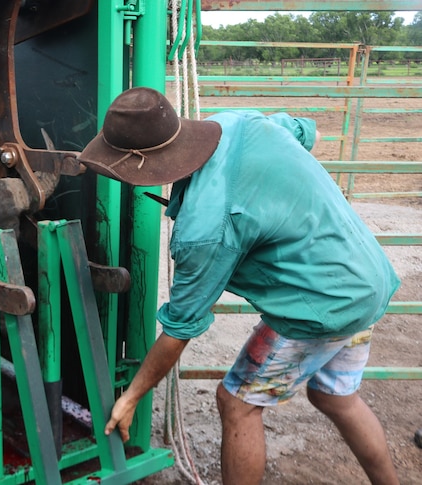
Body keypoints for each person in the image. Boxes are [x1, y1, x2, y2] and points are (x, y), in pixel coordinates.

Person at [78, 87, 401, 485]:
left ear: (139, 167)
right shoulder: (238, 122)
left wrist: (131, 398)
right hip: (367, 278)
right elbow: (306, 133)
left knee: (237, 404)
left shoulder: (204, 230)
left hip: (323, 304)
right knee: (335, 396)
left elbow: (180, 329)